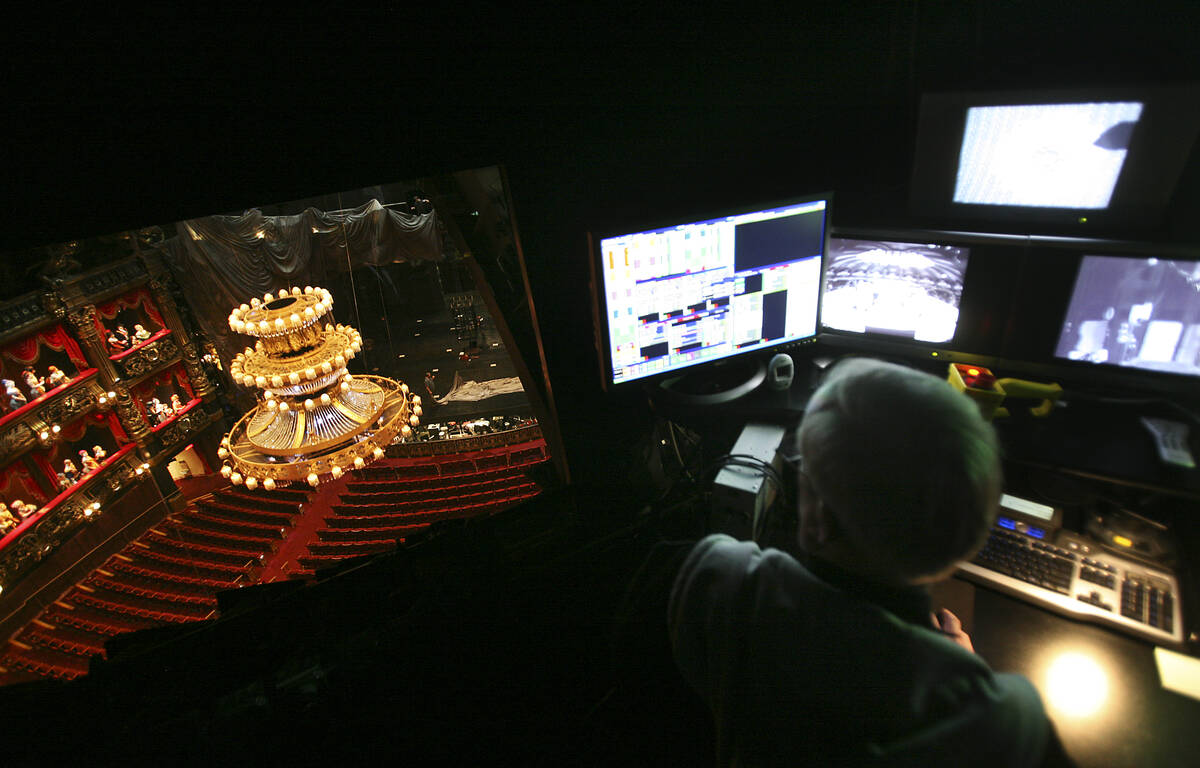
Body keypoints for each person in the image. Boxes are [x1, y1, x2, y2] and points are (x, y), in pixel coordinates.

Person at [669, 358, 1071, 767]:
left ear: (817, 522)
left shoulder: (722, 581)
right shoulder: (1014, 728)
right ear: (958, 549)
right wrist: (958, 669)